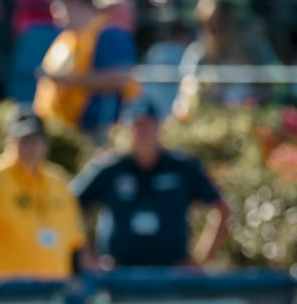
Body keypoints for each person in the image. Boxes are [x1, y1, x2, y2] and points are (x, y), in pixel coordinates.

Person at [71, 101, 230, 270]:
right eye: (138, 126)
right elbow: (67, 206)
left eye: (148, 125)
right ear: (127, 129)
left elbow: (221, 208)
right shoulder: (109, 169)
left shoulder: (183, 167)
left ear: (160, 127)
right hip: (118, 276)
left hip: (172, 274)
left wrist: (201, 259)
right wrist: (87, 256)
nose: (143, 132)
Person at [0, 110, 89, 279]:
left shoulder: (59, 181)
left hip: (55, 291)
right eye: (24, 139)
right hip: (10, 293)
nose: (31, 145)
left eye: (36, 139)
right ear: (9, 139)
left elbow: (74, 245)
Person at [33, 0, 139, 138]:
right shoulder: (67, 38)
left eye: (58, 4)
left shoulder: (109, 34)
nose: (53, 11)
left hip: (97, 130)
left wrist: (69, 79)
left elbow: (120, 77)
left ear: (74, 3)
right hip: (61, 130)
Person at [174, 0, 281, 115]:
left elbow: (275, 85)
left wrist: (253, 100)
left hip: (251, 119)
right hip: (210, 120)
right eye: (211, 26)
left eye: (223, 24)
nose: (218, 31)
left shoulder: (255, 48)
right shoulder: (197, 53)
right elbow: (185, 96)